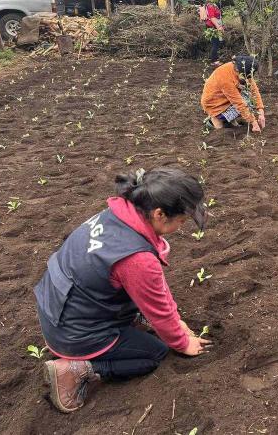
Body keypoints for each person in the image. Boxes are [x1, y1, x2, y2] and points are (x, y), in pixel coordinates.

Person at [34, 168, 210, 413]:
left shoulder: (118, 214)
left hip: (55, 307)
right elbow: (158, 310)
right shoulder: (137, 259)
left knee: (149, 313)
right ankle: (78, 370)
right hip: (73, 333)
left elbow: (155, 291)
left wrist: (177, 318)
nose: (182, 227)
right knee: (154, 353)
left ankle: (115, 329)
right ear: (160, 214)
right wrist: (181, 343)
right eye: (181, 221)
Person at [200, 55, 266, 132]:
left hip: (226, 99)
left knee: (249, 99)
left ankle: (230, 121)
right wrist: (254, 123)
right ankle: (212, 122)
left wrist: (261, 112)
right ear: (238, 70)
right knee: (220, 131)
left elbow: (254, 91)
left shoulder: (244, 70)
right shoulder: (225, 78)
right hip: (214, 104)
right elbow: (238, 103)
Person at [200, 0, 224, 66]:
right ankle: (214, 61)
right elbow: (212, 17)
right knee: (215, 43)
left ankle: (214, 58)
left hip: (214, 26)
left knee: (217, 43)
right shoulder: (210, 5)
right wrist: (218, 27)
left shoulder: (212, 4)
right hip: (212, 27)